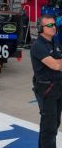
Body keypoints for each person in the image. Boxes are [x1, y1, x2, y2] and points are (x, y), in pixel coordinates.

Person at [30, 14, 62, 148]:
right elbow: (56, 65)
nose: (53, 27)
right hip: (46, 89)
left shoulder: (55, 41)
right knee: (48, 126)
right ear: (40, 28)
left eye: (54, 24)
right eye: (49, 25)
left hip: (58, 86)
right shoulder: (38, 45)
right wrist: (57, 63)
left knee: (54, 123)